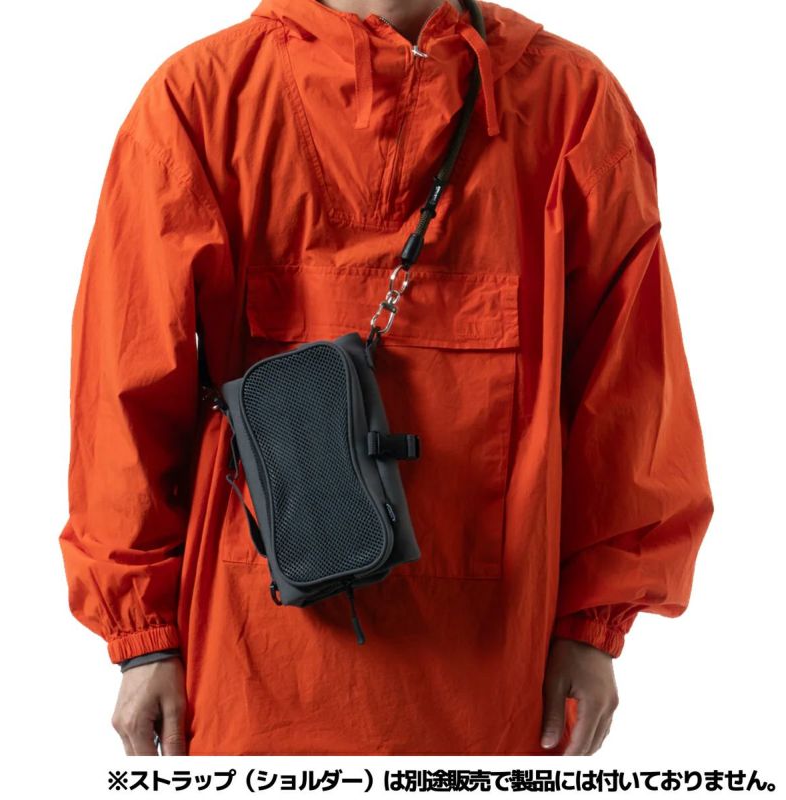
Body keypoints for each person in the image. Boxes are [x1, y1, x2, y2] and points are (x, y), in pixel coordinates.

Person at [58, 0, 714, 756]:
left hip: (496, 689)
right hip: (254, 674)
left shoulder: (571, 105)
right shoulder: (200, 101)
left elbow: (629, 388)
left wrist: (593, 628)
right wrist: (144, 641)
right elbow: (126, 391)